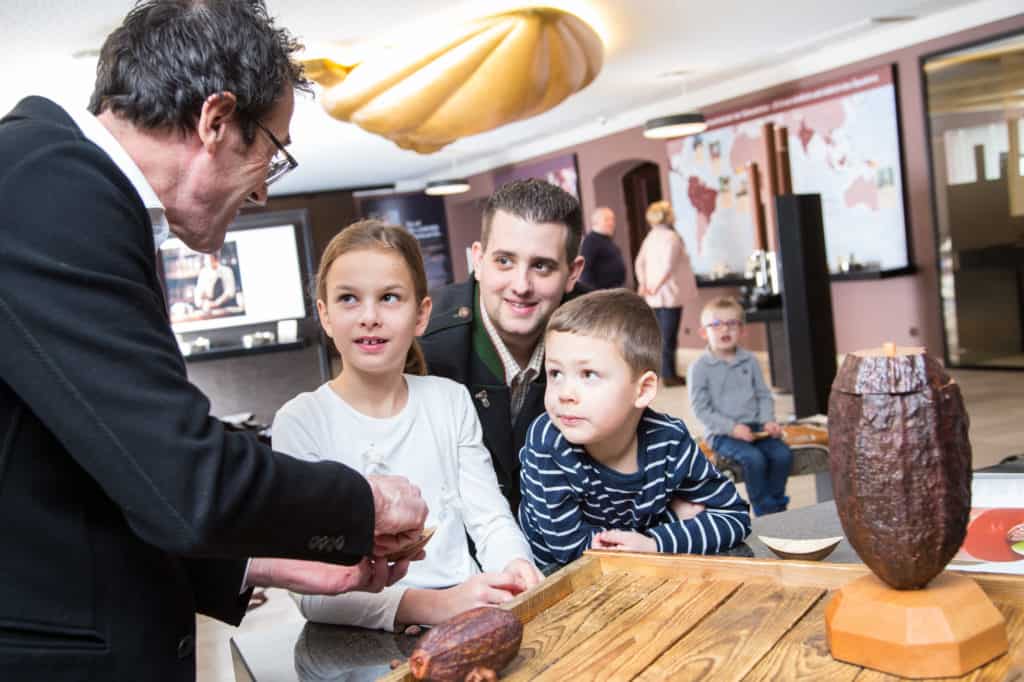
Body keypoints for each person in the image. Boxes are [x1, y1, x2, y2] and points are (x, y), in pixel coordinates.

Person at [0, 3, 428, 680]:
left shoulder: (53, 177)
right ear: (217, 120)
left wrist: (256, 560)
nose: (262, 191)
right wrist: (366, 504)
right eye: (271, 154)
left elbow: (93, 467)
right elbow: (184, 480)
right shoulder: (54, 185)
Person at [273, 220, 542, 631]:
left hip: (468, 612)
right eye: (348, 299)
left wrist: (516, 566)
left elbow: (489, 519)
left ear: (422, 315)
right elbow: (311, 588)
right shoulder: (302, 421)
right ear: (325, 316)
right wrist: (426, 606)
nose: (369, 317)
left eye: (390, 298)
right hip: (361, 638)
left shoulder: (449, 400)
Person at [518, 289, 751, 570]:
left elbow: (734, 514)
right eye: (555, 373)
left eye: (588, 374)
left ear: (642, 390)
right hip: (560, 582)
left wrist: (655, 543)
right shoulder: (549, 442)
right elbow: (571, 551)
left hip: (637, 571)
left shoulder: (669, 440)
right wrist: (674, 523)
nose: (564, 393)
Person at [420, 179, 586, 513]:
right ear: (478, 260)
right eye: (504, 261)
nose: (521, 286)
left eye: (542, 266)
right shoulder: (423, 346)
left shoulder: (603, 338)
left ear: (572, 273)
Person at [687, 296, 793, 516]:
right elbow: (701, 409)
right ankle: (765, 509)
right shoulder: (699, 367)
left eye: (732, 323)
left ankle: (777, 505)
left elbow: (763, 395)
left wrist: (768, 420)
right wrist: (731, 428)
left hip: (756, 427)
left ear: (742, 330)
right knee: (753, 458)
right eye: (716, 324)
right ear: (704, 333)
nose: (724, 329)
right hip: (721, 433)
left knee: (782, 455)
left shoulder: (750, 360)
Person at [633, 200, 697, 387]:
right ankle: (669, 375)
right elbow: (669, 266)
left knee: (660, 336)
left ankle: (664, 372)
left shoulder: (651, 236)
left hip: (653, 295)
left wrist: (645, 284)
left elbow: (639, 263)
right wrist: (656, 285)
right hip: (668, 294)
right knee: (668, 336)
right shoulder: (671, 237)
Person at [578, 207, 626, 290]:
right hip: (602, 294)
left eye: (612, 219)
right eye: (607, 220)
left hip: (614, 290)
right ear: (596, 222)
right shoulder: (591, 241)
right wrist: (593, 294)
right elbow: (585, 270)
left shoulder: (606, 239)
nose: (611, 223)